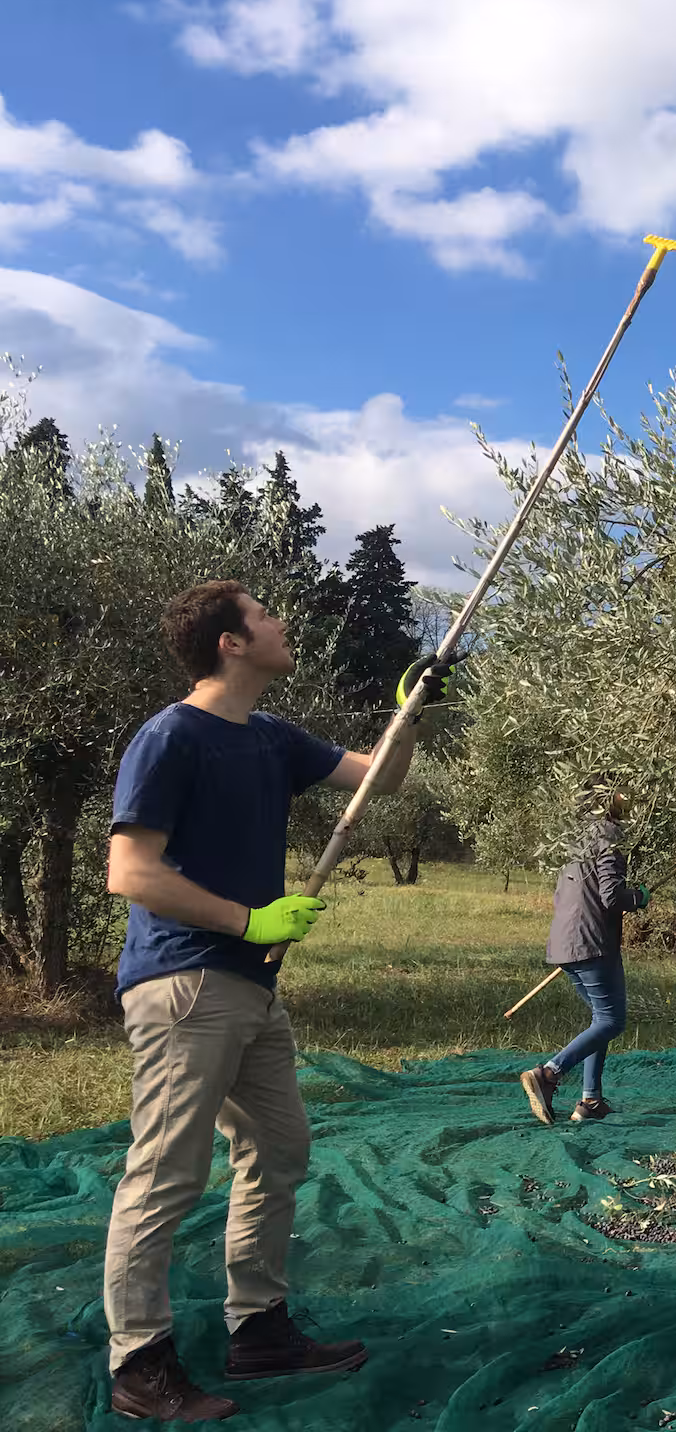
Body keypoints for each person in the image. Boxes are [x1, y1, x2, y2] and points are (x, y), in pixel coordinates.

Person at [102, 580, 452, 1422]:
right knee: (165, 1174)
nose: (280, 623)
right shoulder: (170, 738)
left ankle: (258, 1330)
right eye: (263, 616)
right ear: (229, 642)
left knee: (279, 1148)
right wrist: (248, 917)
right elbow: (130, 873)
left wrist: (409, 717)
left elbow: (380, 783)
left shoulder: (269, 736)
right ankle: (138, 1363)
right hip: (186, 984)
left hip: (251, 990)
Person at [519, 790, 649, 1125]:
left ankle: (590, 1101)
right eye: (624, 790)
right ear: (608, 800)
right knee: (611, 1022)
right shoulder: (609, 836)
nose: (631, 796)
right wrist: (639, 897)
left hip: (567, 944)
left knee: (599, 1023)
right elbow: (611, 897)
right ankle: (548, 1073)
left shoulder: (573, 839)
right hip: (592, 944)